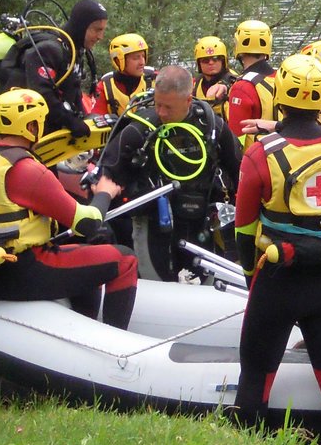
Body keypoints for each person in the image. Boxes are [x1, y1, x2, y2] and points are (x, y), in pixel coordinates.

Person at [0, 88, 138, 328]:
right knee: (125, 259)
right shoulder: (28, 170)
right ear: (32, 127)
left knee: (81, 254)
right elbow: (89, 223)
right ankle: (116, 349)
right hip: (27, 274)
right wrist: (105, 192)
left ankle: (84, 328)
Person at [231, 55, 321, 445]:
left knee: (255, 380)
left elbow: (242, 228)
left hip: (277, 279)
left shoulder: (261, 153)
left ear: (279, 97)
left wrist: (247, 274)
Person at [92, 65, 241, 279]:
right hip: (154, 221)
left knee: (205, 280)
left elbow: (240, 170)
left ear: (188, 101)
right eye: (158, 104)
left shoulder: (211, 126)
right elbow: (107, 172)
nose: (161, 112)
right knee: (155, 277)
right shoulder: (142, 127)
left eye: (168, 107)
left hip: (202, 220)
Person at [0, 0, 109, 138]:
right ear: (82, 26)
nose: (100, 37)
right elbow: (42, 95)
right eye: (97, 30)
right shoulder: (49, 50)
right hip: (23, 135)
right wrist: (71, 122)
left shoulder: (74, 51)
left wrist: (85, 121)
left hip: (50, 134)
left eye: (103, 30)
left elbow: (73, 93)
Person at [226, 18, 277, 151]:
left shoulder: (242, 87)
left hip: (255, 158)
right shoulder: (282, 77)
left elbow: (236, 137)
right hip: (283, 154)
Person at [95, 32, 155, 117]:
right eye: (136, 58)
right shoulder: (104, 87)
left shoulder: (155, 78)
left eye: (143, 56)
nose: (142, 62)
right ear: (119, 60)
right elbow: (96, 117)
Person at [194, 35, 236, 116]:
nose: (211, 63)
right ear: (199, 63)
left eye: (216, 58)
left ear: (223, 61)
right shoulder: (197, 84)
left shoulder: (235, 81)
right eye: (205, 60)